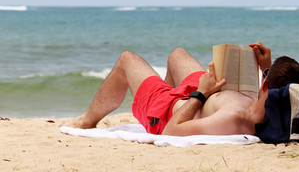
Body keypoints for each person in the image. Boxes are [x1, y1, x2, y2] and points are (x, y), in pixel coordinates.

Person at [61, 42, 273, 136]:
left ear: (265, 85)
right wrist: (265, 67)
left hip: (180, 108)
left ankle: (86, 121)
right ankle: (163, 93)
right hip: (205, 94)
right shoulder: (276, 102)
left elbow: (172, 131)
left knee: (127, 59)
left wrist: (202, 93)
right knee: (177, 54)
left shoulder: (234, 116)